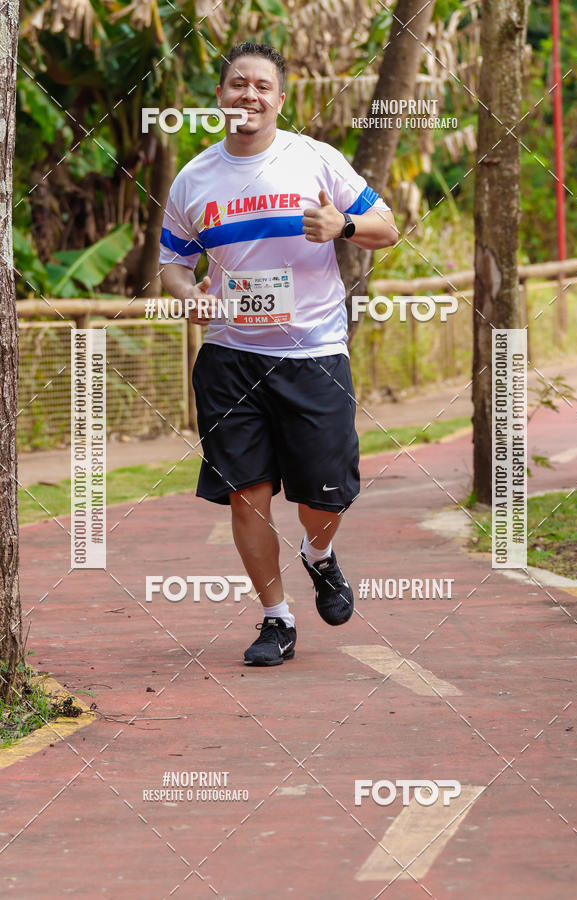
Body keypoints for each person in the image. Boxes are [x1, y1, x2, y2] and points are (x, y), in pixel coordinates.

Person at [159, 42, 396, 666]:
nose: (250, 95)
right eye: (238, 84)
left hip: (313, 353)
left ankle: (319, 555)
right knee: (248, 493)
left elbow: (388, 228)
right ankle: (276, 619)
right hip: (229, 356)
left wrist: (341, 227)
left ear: (280, 99)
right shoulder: (195, 178)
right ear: (220, 96)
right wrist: (193, 295)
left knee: (325, 494)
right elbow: (173, 266)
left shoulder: (316, 161)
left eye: (263, 86)